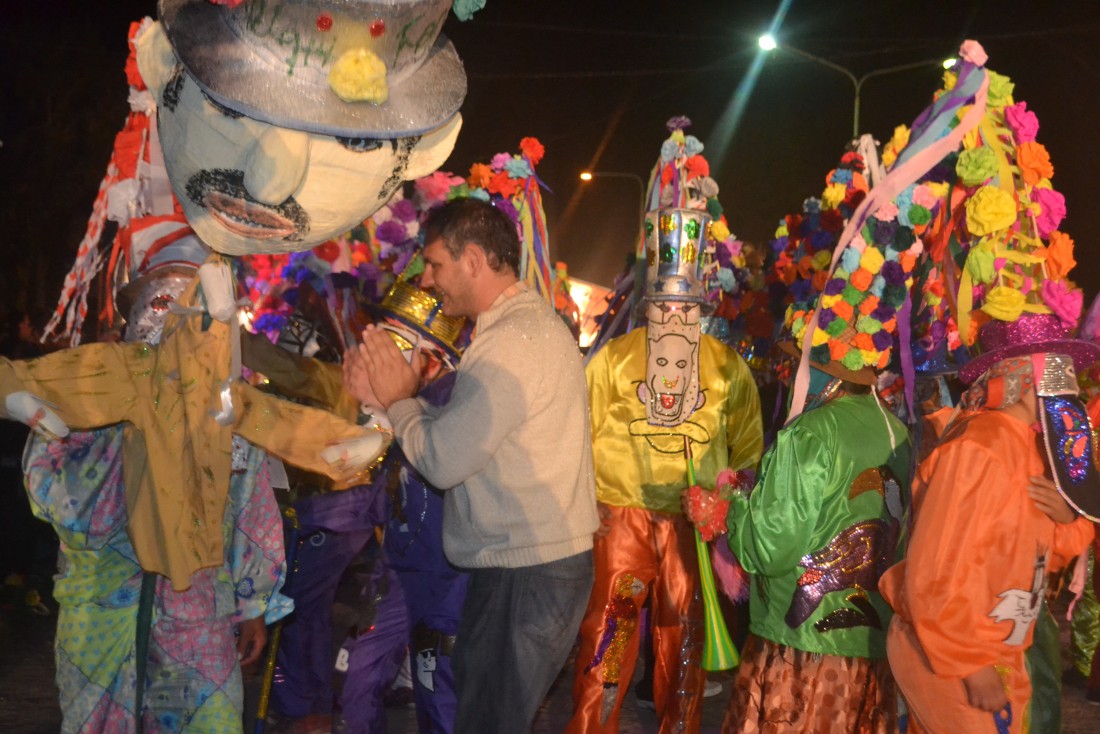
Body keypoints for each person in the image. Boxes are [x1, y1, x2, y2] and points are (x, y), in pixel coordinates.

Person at [353, 197, 599, 733]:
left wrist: (399, 401)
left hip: (527, 571)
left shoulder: (511, 341)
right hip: (530, 565)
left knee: (487, 722)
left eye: (436, 264)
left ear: (473, 260)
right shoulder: (522, 327)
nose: (428, 280)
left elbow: (442, 462)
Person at [567, 205, 763, 734]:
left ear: (701, 308)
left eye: (685, 306)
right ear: (647, 304)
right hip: (621, 523)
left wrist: (723, 509)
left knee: (683, 643)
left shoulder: (726, 366)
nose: (674, 315)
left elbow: (747, 454)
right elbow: (577, 440)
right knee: (611, 636)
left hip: (689, 528)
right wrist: (588, 509)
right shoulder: (612, 360)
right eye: (664, 304)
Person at [881, 318, 1098, 734]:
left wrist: (1069, 520)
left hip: (997, 649)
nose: (1067, 387)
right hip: (952, 652)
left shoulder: (1028, 447)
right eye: (1056, 372)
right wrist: (968, 663)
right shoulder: (980, 448)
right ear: (1027, 380)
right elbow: (938, 565)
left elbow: (1034, 554)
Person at [709, 345, 909, 733]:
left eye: (797, 365)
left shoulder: (810, 433)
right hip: (869, 646)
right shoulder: (896, 430)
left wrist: (733, 504)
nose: (788, 374)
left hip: (799, 649)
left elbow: (770, 548)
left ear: (824, 373)